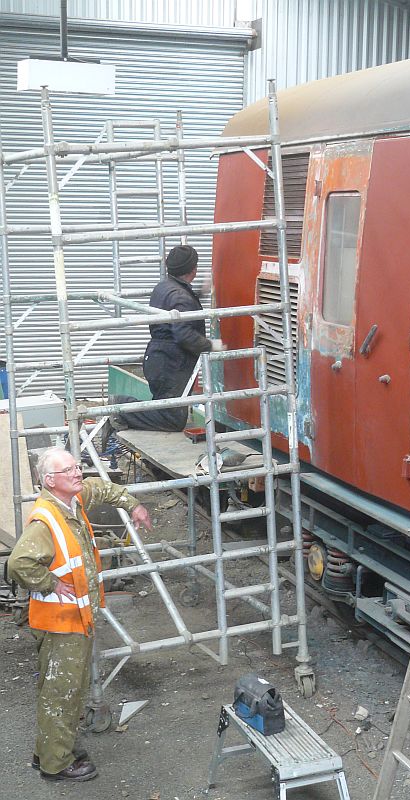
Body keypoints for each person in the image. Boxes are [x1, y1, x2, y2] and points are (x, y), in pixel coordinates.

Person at [8, 446, 151, 783]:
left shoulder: (71, 500)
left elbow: (102, 488)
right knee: (63, 692)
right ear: (49, 480)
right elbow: (18, 563)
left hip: (74, 619)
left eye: (77, 467)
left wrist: (134, 505)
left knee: (63, 689)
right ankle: (56, 765)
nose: (78, 473)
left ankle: (51, 750)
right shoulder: (46, 520)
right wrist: (49, 583)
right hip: (60, 624)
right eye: (69, 470)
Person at [102, 244, 226, 442]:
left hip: (159, 358)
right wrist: (211, 345)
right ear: (193, 270)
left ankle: (123, 410)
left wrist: (200, 294)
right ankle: (121, 408)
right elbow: (183, 333)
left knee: (164, 409)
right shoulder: (181, 296)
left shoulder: (165, 287)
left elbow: (179, 310)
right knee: (172, 420)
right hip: (172, 364)